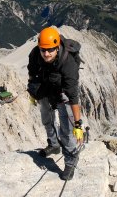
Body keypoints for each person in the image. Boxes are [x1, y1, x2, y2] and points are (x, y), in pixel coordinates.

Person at [27, 27, 83, 180]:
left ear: (57, 47)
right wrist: (32, 92)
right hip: (46, 87)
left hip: (63, 93)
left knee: (66, 130)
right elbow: (32, 73)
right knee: (46, 118)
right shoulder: (35, 54)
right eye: (43, 49)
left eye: (50, 49)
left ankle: (71, 161)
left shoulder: (68, 63)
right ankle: (54, 145)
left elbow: (73, 97)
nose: (46, 53)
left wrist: (78, 125)